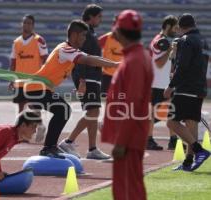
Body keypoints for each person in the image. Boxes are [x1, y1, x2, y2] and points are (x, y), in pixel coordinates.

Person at [21, 19, 119, 158]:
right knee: (63, 110)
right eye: (83, 35)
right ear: (74, 35)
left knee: (63, 110)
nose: (85, 38)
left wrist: (114, 64)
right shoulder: (65, 49)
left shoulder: (71, 51)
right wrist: (115, 65)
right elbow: (88, 61)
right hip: (35, 88)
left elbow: (90, 57)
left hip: (41, 89)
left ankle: (49, 145)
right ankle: (49, 147)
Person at [101, 10, 153, 200]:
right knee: (128, 188)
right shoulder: (137, 57)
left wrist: (121, 141)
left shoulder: (134, 60)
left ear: (121, 31)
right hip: (131, 134)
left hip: (129, 139)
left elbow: (131, 104)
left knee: (128, 191)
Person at [58, 4, 110, 160]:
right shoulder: (84, 33)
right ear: (91, 17)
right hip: (87, 77)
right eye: (99, 16)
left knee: (93, 112)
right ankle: (68, 141)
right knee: (93, 111)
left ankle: (92, 149)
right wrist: (81, 80)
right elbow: (79, 57)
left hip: (92, 77)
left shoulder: (90, 33)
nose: (101, 19)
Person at [164, 13, 210, 171]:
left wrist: (171, 86)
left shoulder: (186, 40)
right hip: (199, 87)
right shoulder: (203, 40)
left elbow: (183, 67)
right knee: (191, 124)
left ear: (180, 26)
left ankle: (199, 151)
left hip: (186, 87)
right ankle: (188, 162)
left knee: (171, 122)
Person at [9, 14, 48, 143]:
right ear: (22, 24)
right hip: (20, 81)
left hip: (34, 81)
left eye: (30, 23)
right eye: (25, 23)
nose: (27, 25)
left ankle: (40, 126)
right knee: (21, 108)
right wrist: (11, 79)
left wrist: (45, 77)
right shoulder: (16, 42)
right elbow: (13, 62)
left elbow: (45, 60)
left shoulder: (39, 40)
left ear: (33, 25)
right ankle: (21, 135)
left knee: (35, 107)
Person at [148, 15, 179, 150]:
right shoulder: (159, 41)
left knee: (171, 112)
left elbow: (166, 64)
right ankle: (147, 139)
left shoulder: (165, 41)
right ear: (168, 26)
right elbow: (159, 63)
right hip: (156, 84)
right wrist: (170, 50)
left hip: (165, 83)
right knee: (152, 113)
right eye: (175, 27)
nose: (176, 30)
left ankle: (173, 140)